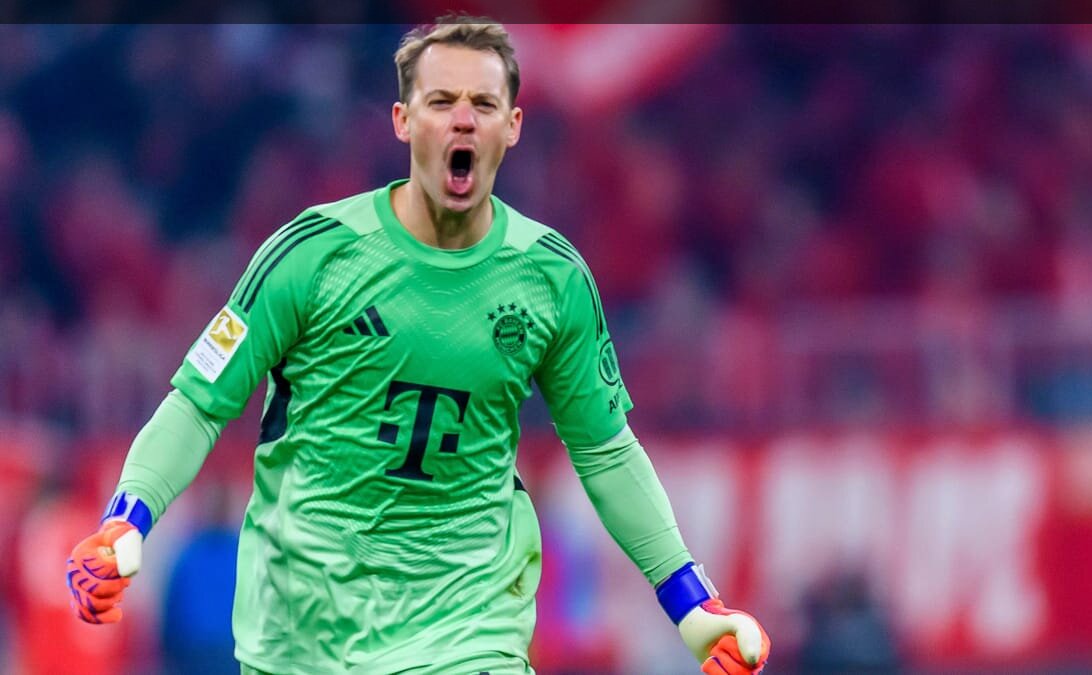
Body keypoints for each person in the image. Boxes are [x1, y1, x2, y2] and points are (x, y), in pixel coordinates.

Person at [64, 17, 770, 675]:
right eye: (441, 101)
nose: (463, 119)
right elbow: (198, 403)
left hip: (468, 631)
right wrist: (126, 521)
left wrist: (693, 604)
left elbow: (606, 451)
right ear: (404, 121)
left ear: (512, 126)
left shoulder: (551, 278)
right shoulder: (312, 255)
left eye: (483, 104)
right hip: (306, 637)